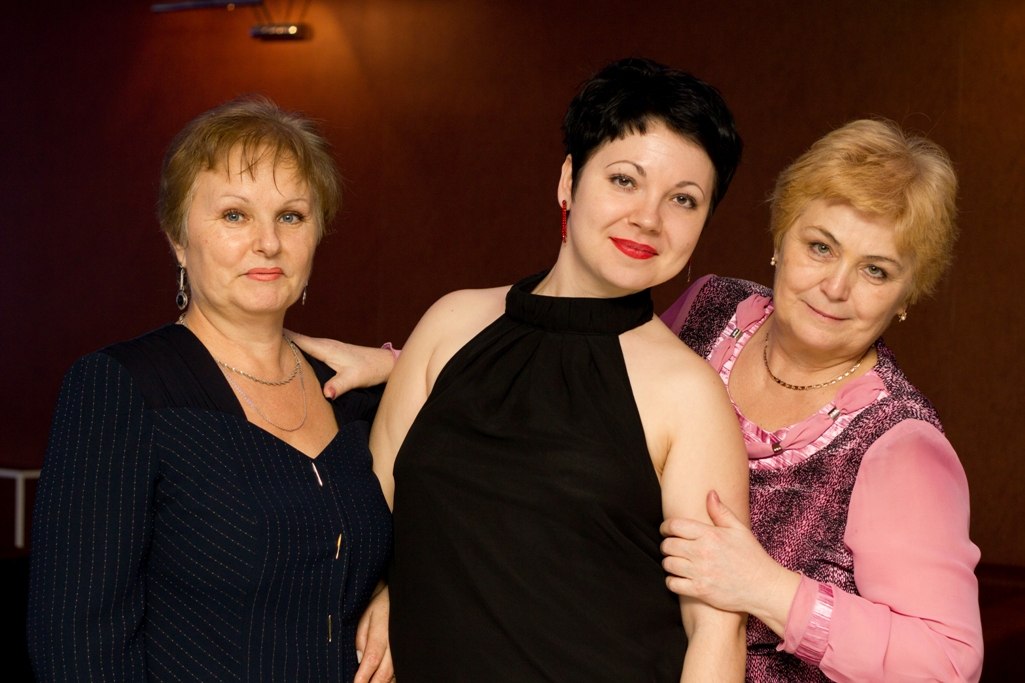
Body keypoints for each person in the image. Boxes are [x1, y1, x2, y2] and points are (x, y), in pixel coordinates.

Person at [326, 57, 749, 682]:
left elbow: (715, 631)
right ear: (568, 180)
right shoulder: (450, 324)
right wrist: (390, 590)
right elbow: (376, 518)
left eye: (683, 200)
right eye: (624, 180)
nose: (648, 218)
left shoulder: (689, 394)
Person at [27, 97, 394, 682]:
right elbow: (76, 649)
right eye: (234, 215)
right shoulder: (120, 387)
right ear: (178, 238)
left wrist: (396, 595)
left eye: (291, 217)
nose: (268, 243)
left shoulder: (353, 394)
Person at [658, 119, 984, 681]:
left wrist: (766, 589)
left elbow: (949, 663)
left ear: (906, 295)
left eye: (875, 270)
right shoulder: (706, 309)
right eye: (820, 247)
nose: (835, 287)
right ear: (780, 239)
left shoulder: (899, 442)